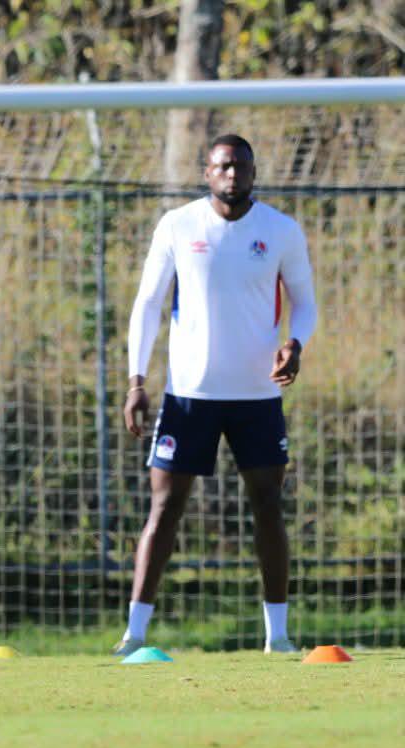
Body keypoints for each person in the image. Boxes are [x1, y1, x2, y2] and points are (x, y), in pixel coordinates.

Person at [120, 134, 317, 656]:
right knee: (165, 507)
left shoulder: (280, 231)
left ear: (254, 173)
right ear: (207, 172)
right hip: (189, 398)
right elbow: (147, 304)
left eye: (242, 167)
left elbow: (306, 302)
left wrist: (295, 345)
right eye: (223, 166)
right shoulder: (178, 226)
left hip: (257, 399)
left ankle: (279, 637)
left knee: (269, 506)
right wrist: (137, 382)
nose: (233, 175)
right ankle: (134, 634)